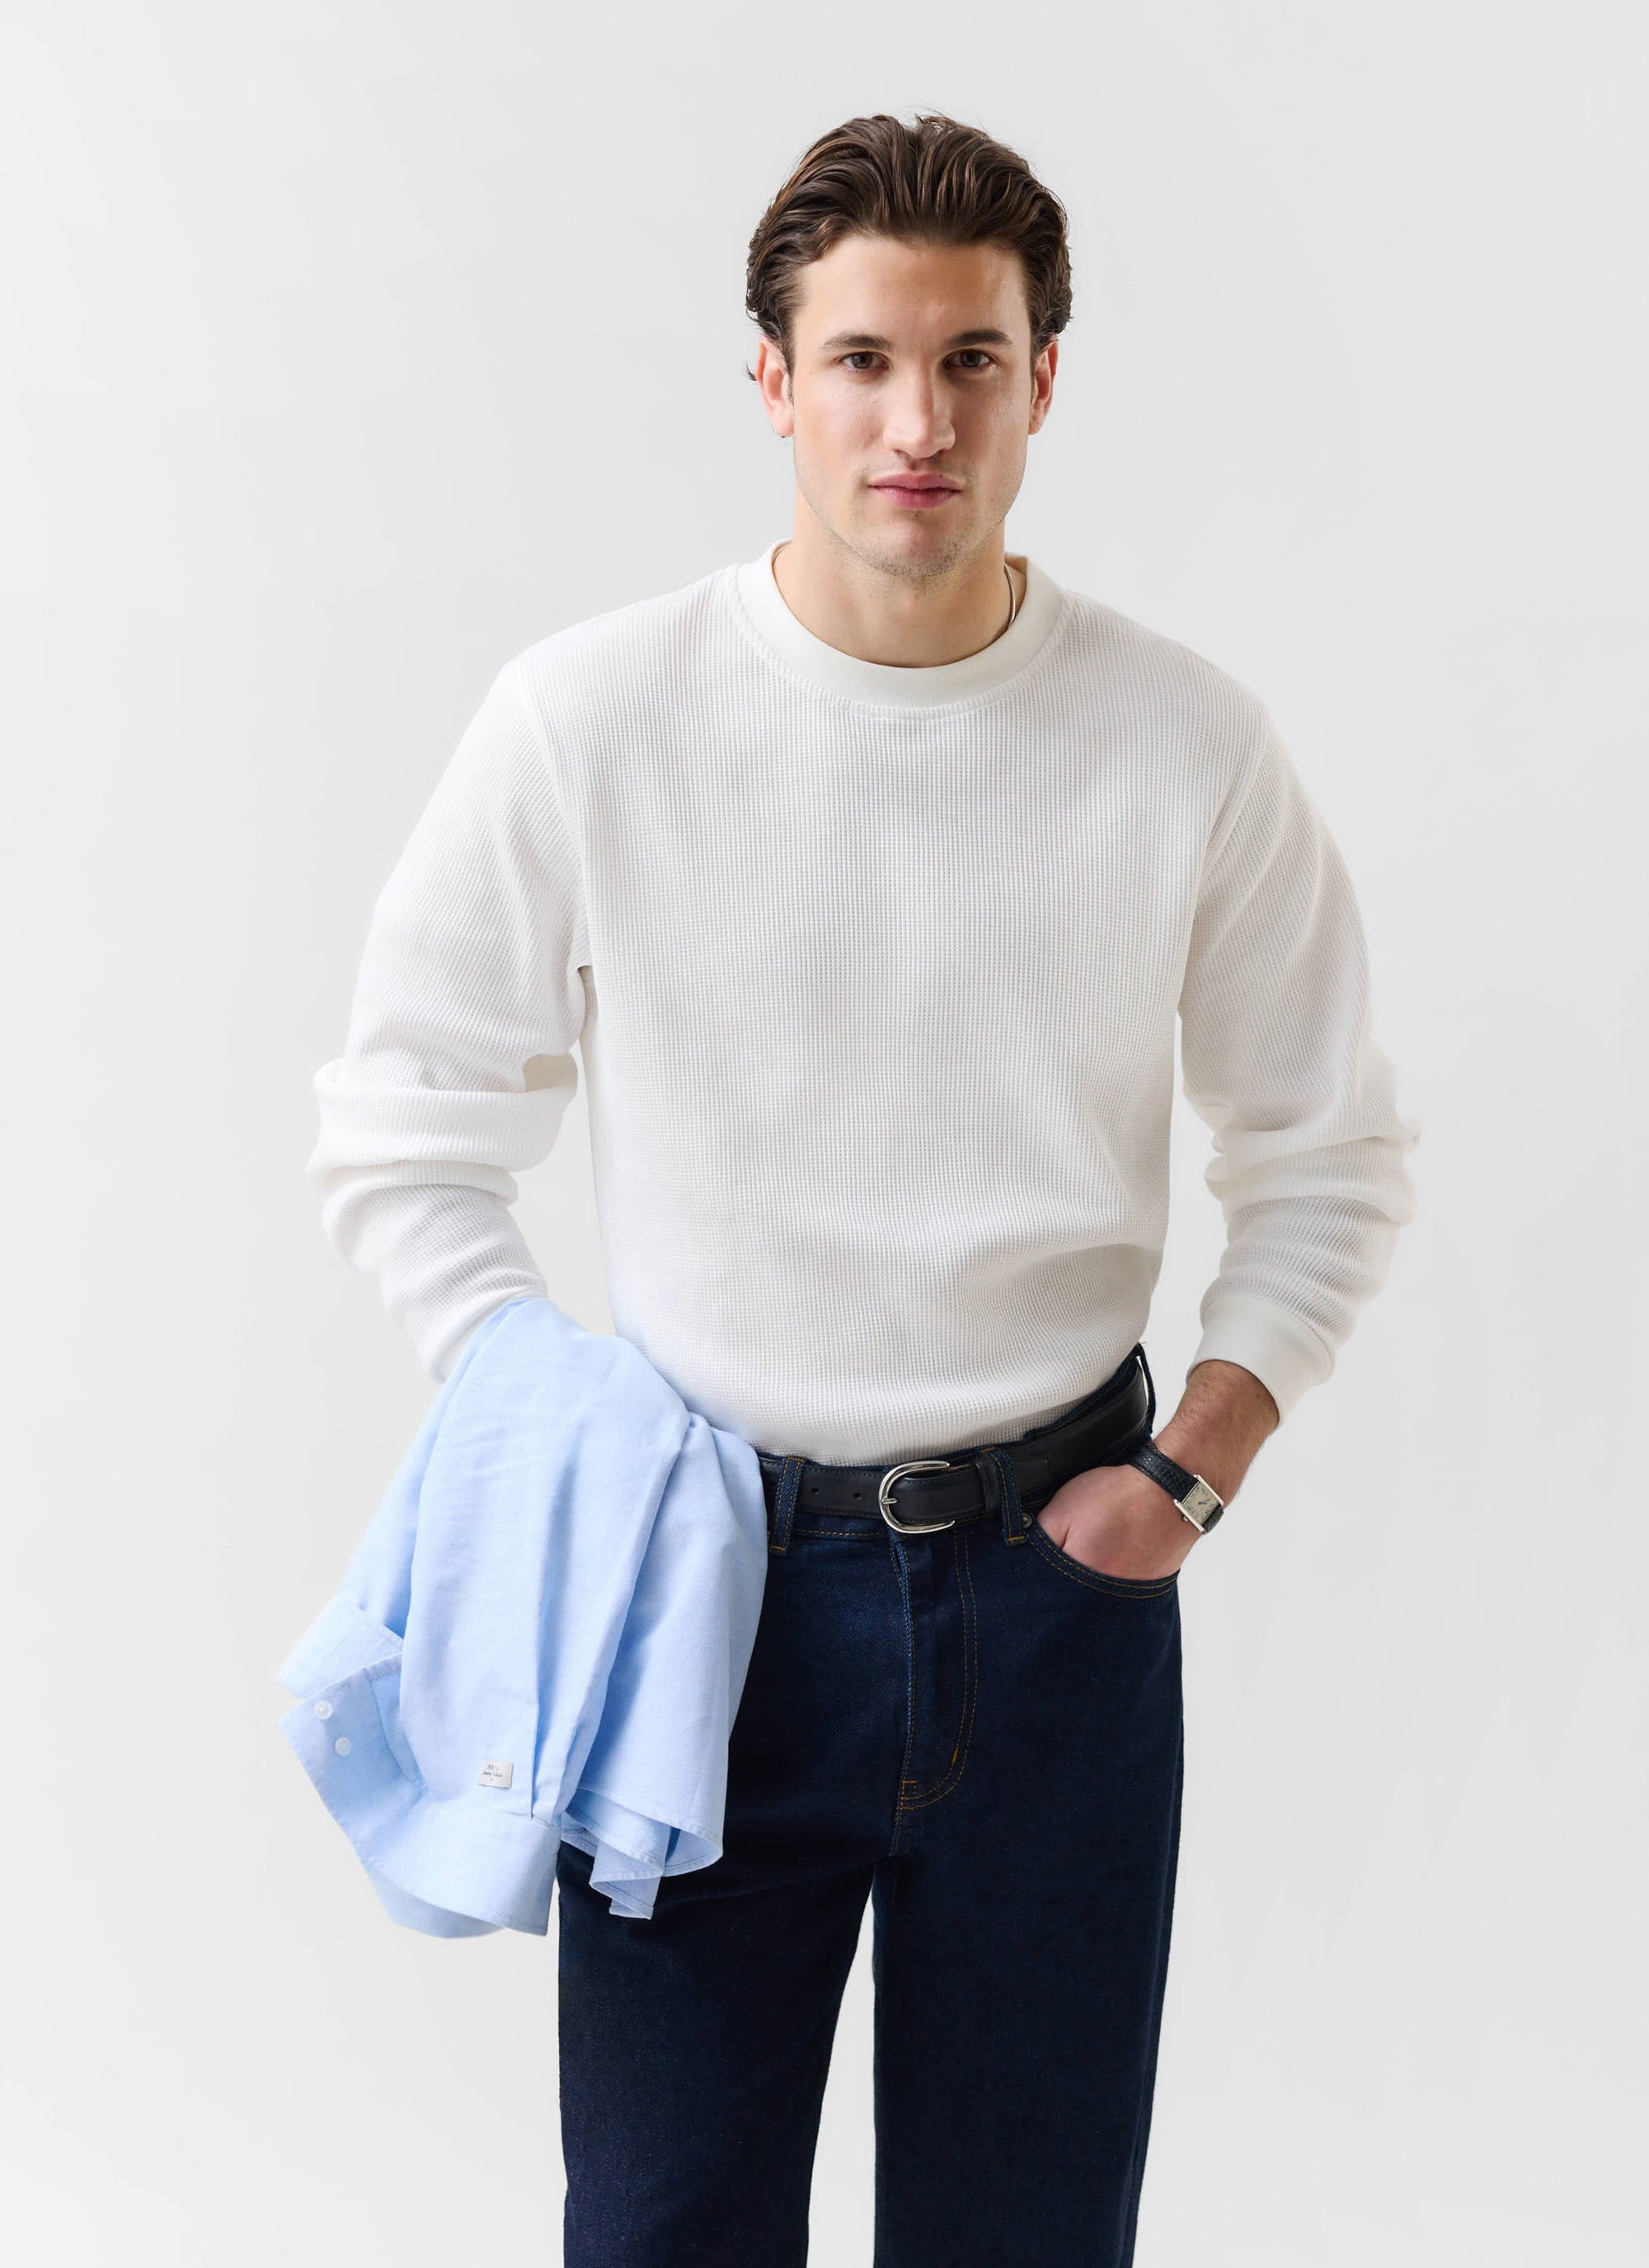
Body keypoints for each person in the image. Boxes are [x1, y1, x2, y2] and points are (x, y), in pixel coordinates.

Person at [306, 109, 1420, 2268]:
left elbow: (1329, 1149)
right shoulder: (595, 720)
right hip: (708, 1589)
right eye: (864, 361)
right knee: (664, 2229)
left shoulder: (1183, 742)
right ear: (773, 380)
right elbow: (404, 1115)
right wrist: (556, 1407)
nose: (920, 420)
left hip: (1061, 1586)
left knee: (1026, 2239)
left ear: (1043, 380)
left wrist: (1191, 1469)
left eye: (973, 363)